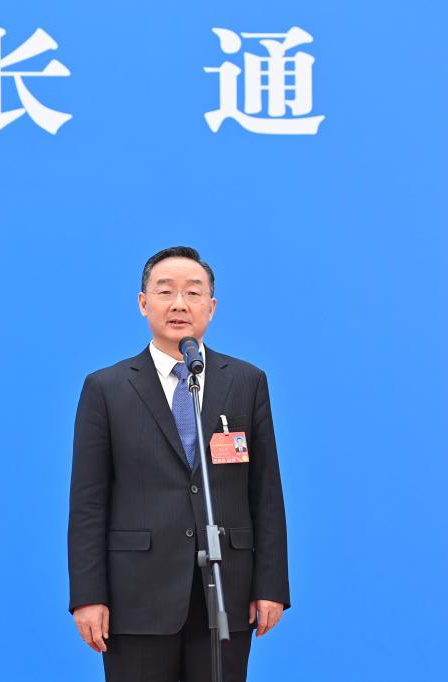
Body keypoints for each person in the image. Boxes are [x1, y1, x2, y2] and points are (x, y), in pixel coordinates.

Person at [68, 246, 290, 682]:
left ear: (211, 306)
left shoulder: (247, 382)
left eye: (193, 292)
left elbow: (266, 492)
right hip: (136, 596)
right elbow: (88, 503)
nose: (179, 304)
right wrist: (88, 596)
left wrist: (271, 586)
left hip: (226, 592)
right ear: (143, 303)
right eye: (165, 291)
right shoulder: (106, 388)